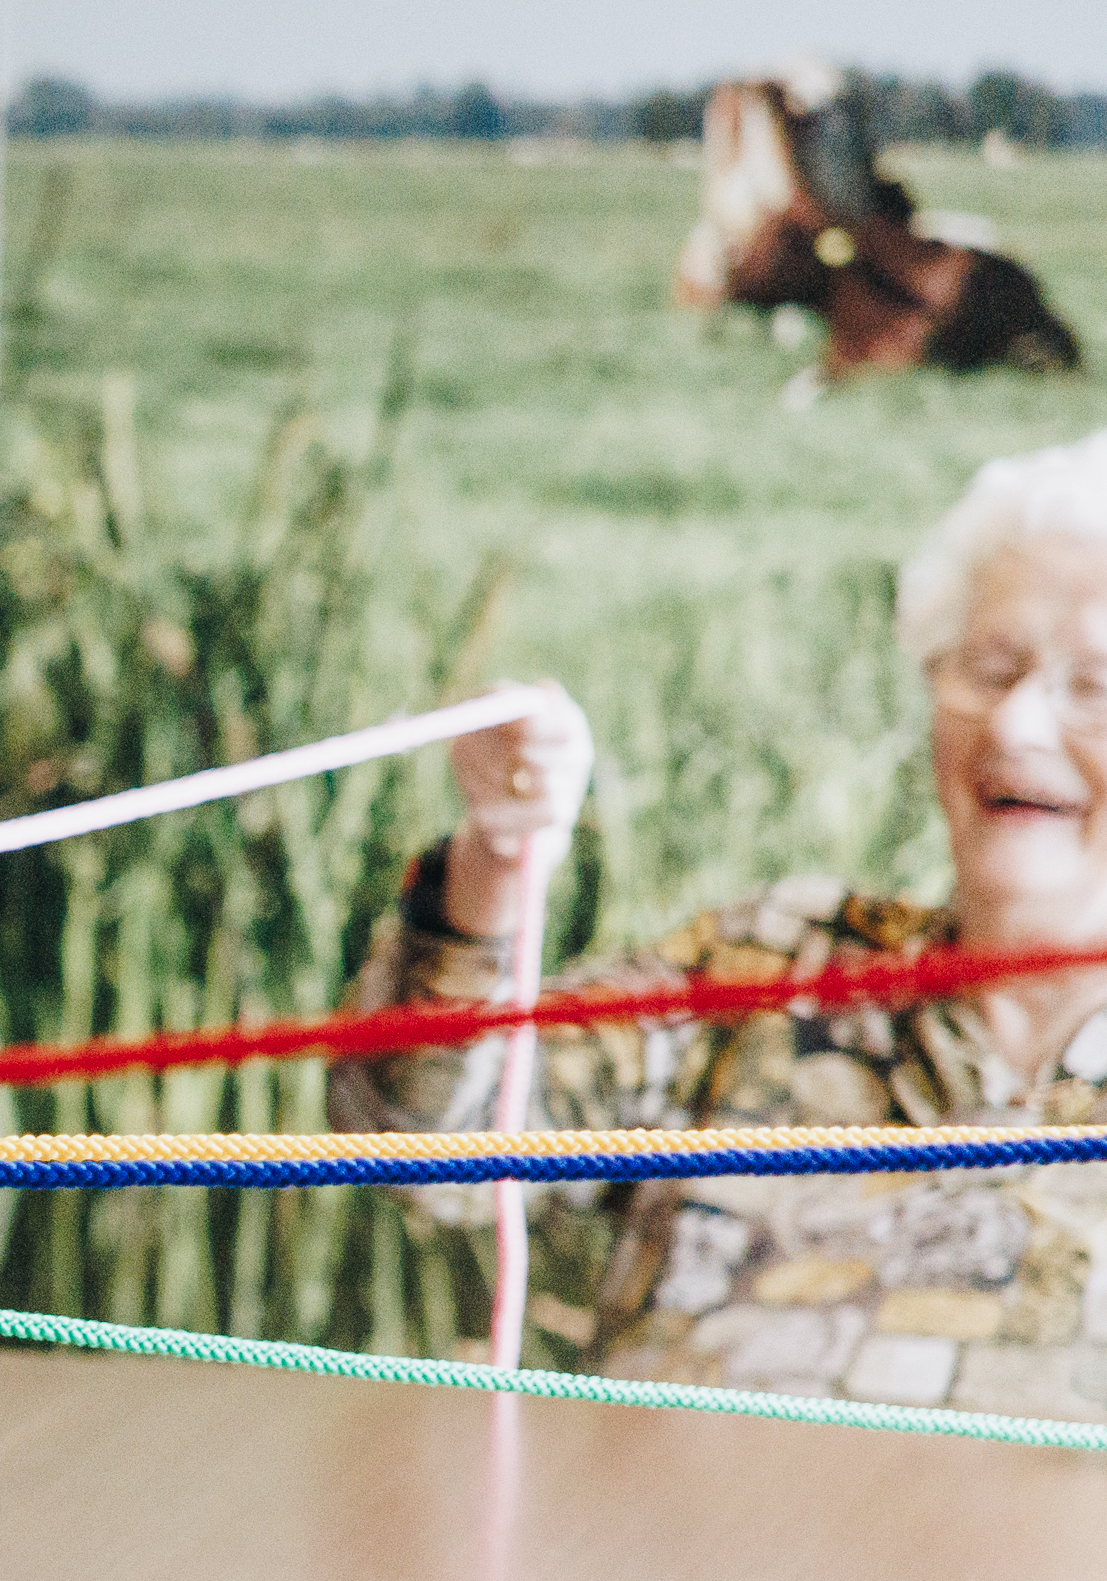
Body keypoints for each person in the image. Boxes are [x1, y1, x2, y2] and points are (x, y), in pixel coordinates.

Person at [336, 429, 1107, 1417]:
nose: (1015, 727)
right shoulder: (773, 966)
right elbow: (419, 1143)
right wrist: (499, 854)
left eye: (1092, 686)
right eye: (989, 671)